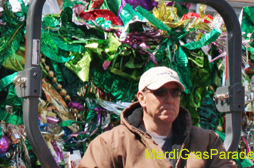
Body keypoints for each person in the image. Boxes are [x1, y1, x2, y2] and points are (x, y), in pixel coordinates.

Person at [78, 66, 236, 168]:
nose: (169, 99)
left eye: (175, 92)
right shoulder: (111, 143)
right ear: (141, 98)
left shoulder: (206, 140)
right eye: (160, 92)